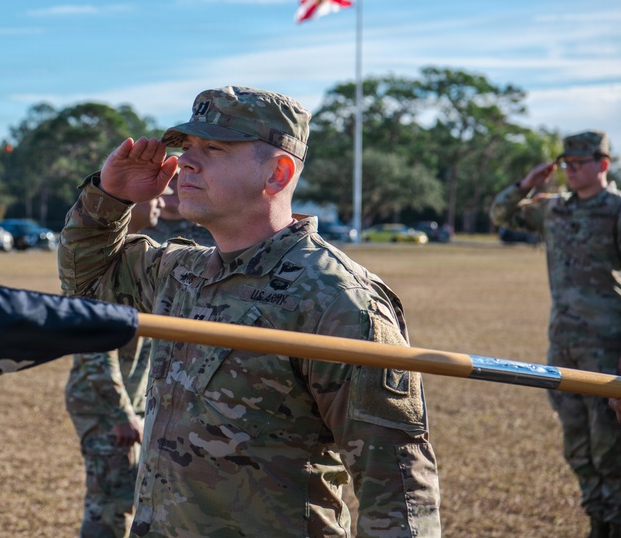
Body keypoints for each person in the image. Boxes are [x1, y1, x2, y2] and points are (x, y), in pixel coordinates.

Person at [58, 85, 442, 537]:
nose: (185, 163)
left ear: (277, 173)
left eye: (214, 149)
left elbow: (397, 486)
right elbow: (87, 282)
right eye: (188, 147)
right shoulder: (182, 272)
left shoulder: (337, 299)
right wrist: (110, 197)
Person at [490, 130, 621, 538]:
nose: (570, 170)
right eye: (566, 164)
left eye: (579, 163)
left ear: (602, 164)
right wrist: (526, 184)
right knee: (577, 445)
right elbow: (501, 215)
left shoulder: (616, 210)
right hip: (563, 343)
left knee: (611, 447)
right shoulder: (553, 209)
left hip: (608, 347)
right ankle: (597, 520)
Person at [64, 193, 166, 537]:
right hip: (105, 404)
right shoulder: (104, 261)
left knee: (123, 494)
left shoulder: (134, 255)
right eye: (156, 198)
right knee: (111, 499)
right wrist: (119, 413)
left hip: (125, 400)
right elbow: (94, 347)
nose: (161, 204)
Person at [142, 152, 216, 246]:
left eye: (175, 179)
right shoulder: (138, 227)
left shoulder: (211, 231)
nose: (168, 185)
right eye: (164, 178)